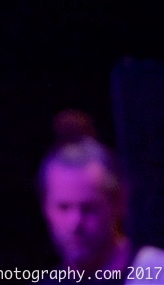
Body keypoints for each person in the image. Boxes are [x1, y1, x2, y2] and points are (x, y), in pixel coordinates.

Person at [38, 109, 164, 283]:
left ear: (118, 202)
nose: (76, 222)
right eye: (63, 207)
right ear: (45, 208)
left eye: (88, 208)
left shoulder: (156, 273)